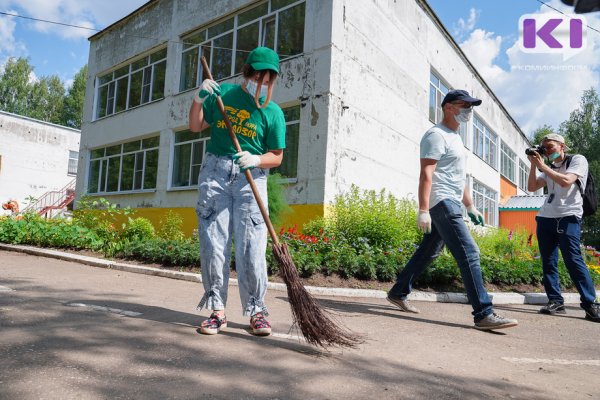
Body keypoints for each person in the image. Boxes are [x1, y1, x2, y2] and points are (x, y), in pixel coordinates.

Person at [387, 89, 518, 331]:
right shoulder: (436, 135)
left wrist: (470, 205)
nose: (468, 111)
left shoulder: (455, 137)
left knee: (429, 252)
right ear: (448, 107)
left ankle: (397, 292)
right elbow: (427, 174)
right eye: (464, 106)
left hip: (452, 201)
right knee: (469, 252)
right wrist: (423, 209)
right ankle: (483, 314)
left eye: (470, 107)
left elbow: (459, 177)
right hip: (442, 202)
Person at [188, 47, 286, 336]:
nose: (262, 84)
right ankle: (217, 310)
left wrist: (256, 159)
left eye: (267, 80)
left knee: (252, 247)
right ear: (247, 74)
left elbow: (277, 156)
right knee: (213, 243)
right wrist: (198, 98)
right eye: (257, 77)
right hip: (215, 173)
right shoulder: (224, 95)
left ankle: (256, 311)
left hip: (251, 178)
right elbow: (194, 125)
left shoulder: (273, 112)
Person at [527, 133, 599, 322]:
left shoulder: (577, 160)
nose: (546, 151)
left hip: (569, 217)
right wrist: (534, 165)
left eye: (550, 146)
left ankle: (590, 304)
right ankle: (555, 301)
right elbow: (532, 186)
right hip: (545, 218)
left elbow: (566, 181)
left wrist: (542, 166)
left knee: (573, 260)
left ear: (562, 146)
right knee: (548, 261)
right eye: (544, 148)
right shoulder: (548, 167)